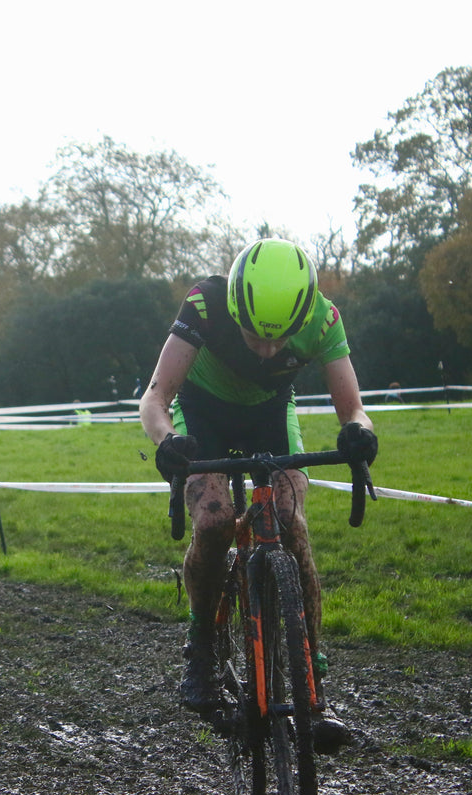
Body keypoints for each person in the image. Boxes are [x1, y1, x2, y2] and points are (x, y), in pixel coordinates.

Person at [138, 237, 378, 754]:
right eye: (252, 337)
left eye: (279, 341)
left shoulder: (323, 318)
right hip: (201, 412)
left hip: (269, 413)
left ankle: (313, 687)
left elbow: (353, 409)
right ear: (234, 309)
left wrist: (359, 432)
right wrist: (166, 443)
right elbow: (157, 395)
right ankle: (202, 644)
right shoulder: (205, 302)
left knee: (291, 523)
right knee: (213, 519)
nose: (267, 351)